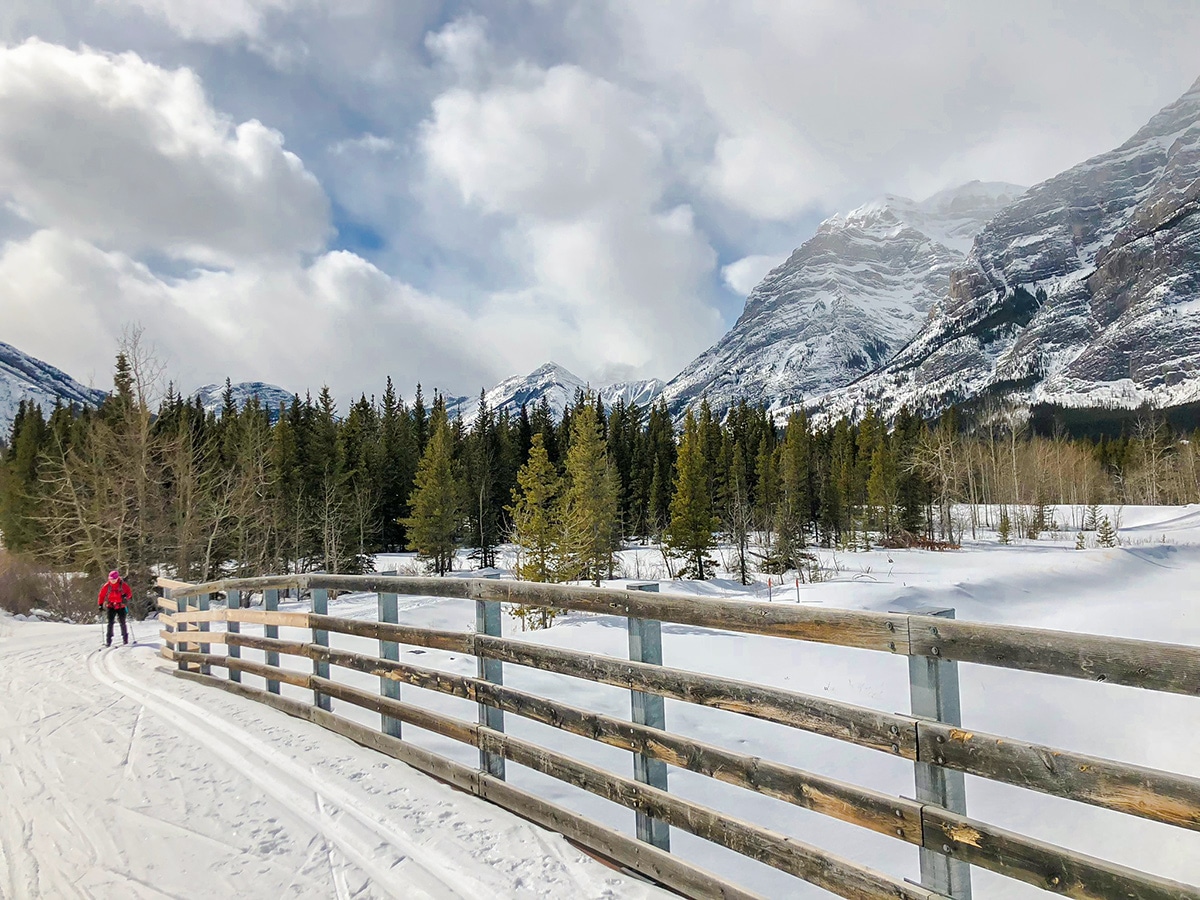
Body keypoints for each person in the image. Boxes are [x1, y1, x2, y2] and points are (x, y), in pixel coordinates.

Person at [98, 570, 132, 646]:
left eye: (114, 579)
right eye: (111, 579)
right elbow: (101, 595)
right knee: (110, 623)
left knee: (122, 622)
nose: (112, 581)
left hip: (121, 606)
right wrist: (100, 604)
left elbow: (129, 593)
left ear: (117, 578)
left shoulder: (123, 585)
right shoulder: (107, 586)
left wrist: (125, 596)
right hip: (111, 606)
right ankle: (108, 641)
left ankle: (125, 639)